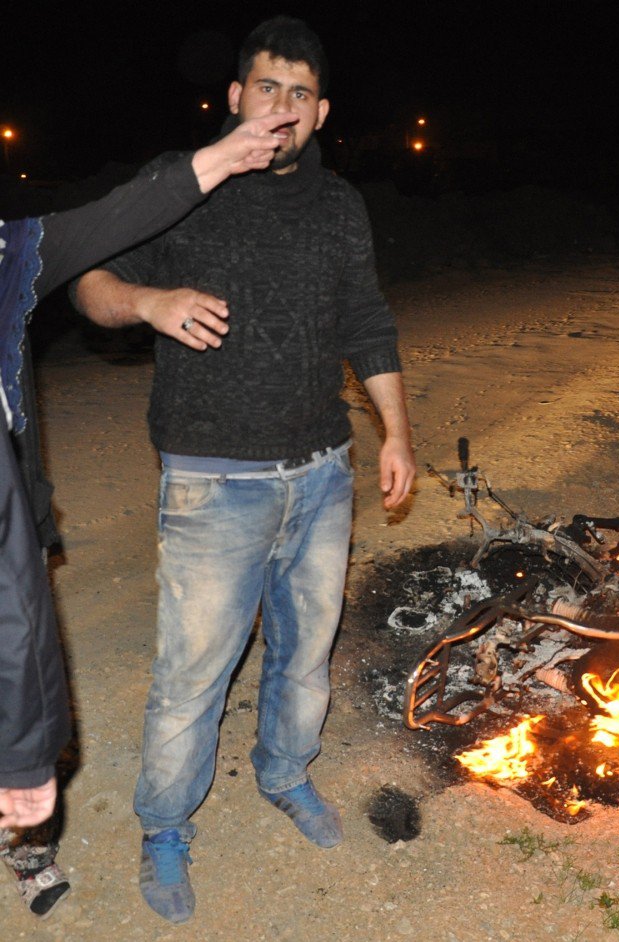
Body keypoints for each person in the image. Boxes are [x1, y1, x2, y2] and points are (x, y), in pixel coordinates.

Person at [73, 16, 417, 925]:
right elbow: (87, 280)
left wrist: (396, 433)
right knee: (194, 674)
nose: (282, 109)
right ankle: (164, 827)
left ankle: (282, 773)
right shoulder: (179, 186)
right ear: (235, 96)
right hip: (213, 479)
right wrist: (151, 300)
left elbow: (368, 323)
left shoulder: (340, 205)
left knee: (306, 656)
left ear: (321, 112)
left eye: (300, 95)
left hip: (321, 471)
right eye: (267, 88)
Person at [1, 111, 294, 918]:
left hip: (8, 514)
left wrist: (221, 156)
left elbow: (110, 219)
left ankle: (29, 848)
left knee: (20, 669)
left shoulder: (7, 250)